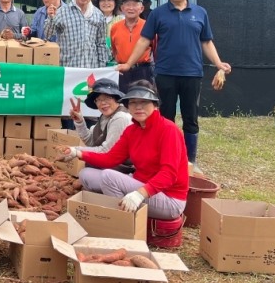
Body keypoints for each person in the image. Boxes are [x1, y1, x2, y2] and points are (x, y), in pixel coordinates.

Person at [117, 0, 231, 165]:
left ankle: (189, 160)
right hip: (165, 73)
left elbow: (206, 41)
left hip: (192, 73)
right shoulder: (158, 14)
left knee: (190, 117)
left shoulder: (200, 12)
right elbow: (144, 40)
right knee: (165, 117)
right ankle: (165, 157)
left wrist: (219, 63)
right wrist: (128, 63)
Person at [60, 82, 188, 223]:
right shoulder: (132, 130)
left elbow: (169, 174)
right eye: (133, 102)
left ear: (155, 104)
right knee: (86, 174)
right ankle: (119, 210)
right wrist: (78, 154)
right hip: (139, 182)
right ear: (127, 105)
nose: (138, 107)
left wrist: (140, 194)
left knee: (109, 176)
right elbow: (110, 158)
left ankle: (121, 223)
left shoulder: (169, 130)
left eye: (144, 102)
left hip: (168, 198)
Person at [62, 78, 133, 192]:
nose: (102, 103)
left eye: (107, 98)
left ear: (116, 98)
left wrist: (76, 151)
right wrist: (79, 121)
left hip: (124, 169)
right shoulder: (104, 118)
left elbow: (106, 151)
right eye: (98, 99)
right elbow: (91, 141)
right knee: (85, 175)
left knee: (85, 175)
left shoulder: (120, 117)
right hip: (111, 167)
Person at [43, 0, 110, 68]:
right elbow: (47, 35)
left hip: (91, 68)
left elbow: (101, 44)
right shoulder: (62, 12)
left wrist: (102, 67)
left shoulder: (98, 15)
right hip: (68, 68)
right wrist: (51, 18)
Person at [111, 0, 155, 92]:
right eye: (127, 4)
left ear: (142, 9)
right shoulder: (115, 27)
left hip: (143, 71)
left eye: (135, 5)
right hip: (122, 72)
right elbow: (114, 50)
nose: (131, 8)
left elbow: (155, 48)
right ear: (122, 8)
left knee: (143, 102)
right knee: (123, 102)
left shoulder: (148, 26)